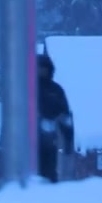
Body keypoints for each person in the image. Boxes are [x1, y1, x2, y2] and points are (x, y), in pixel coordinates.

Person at [37, 53, 74, 183]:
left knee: (48, 174)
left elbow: (65, 117)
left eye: (44, 68)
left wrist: (69, 141)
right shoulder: (26, 89)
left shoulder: (56, 90)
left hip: (49, 140)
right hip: (26, 142)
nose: (41, 71)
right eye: (38, 68)